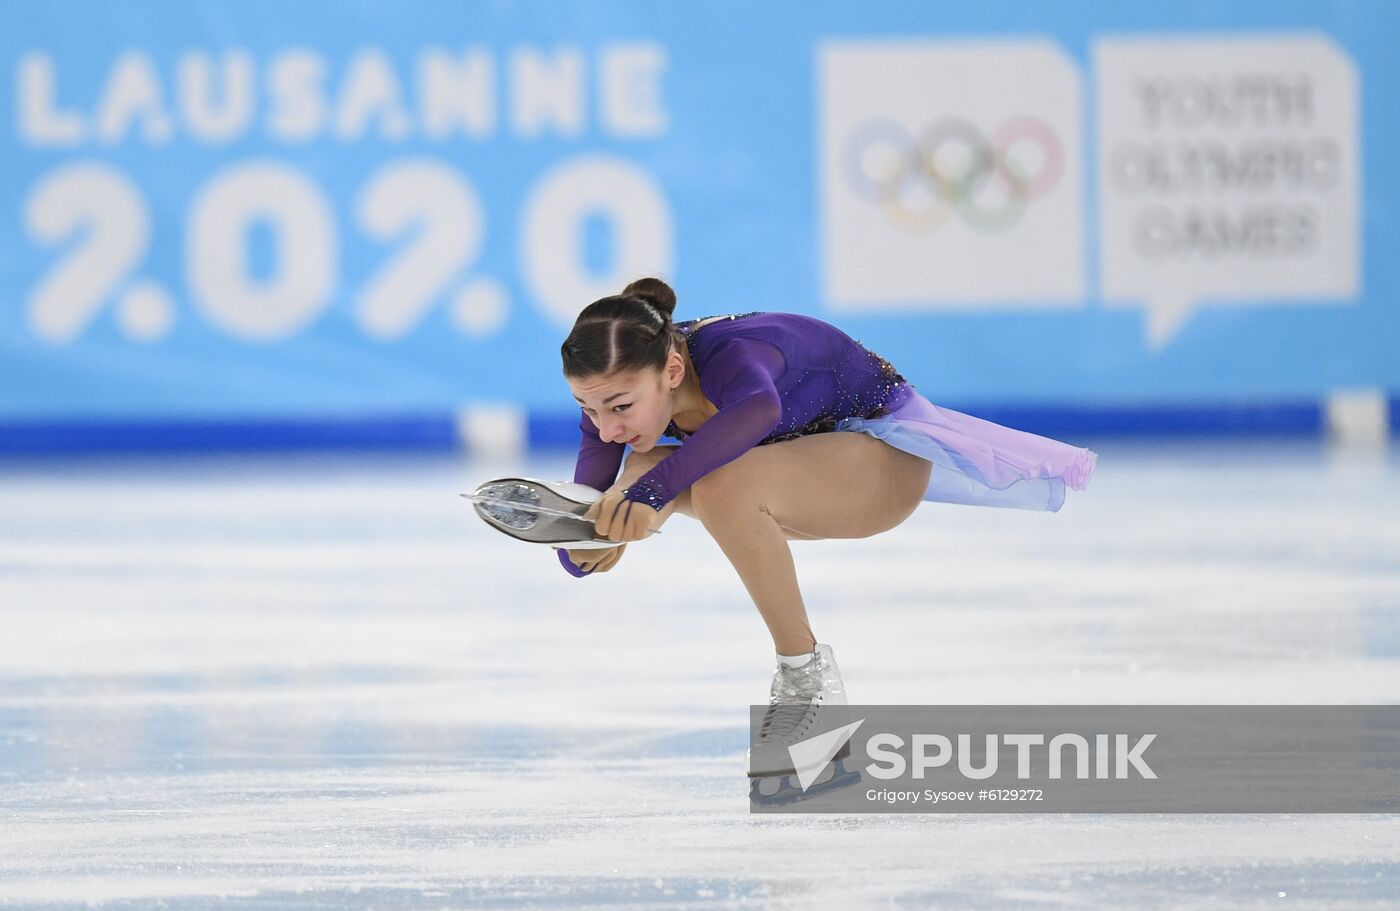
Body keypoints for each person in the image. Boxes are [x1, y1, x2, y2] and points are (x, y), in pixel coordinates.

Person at [551, 277, 1097, 794]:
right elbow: (584, 511)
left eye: (620, 407)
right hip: (790, 477)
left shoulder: (731, 354)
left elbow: (758, 410)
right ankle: (658, 494)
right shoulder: (617, 393)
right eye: (588, 409)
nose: (606, 427)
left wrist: (649, 494)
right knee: (645, 464)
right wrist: (586, 544)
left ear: (672, 370)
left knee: (694, 481)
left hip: (884, 460)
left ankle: (808, 683)